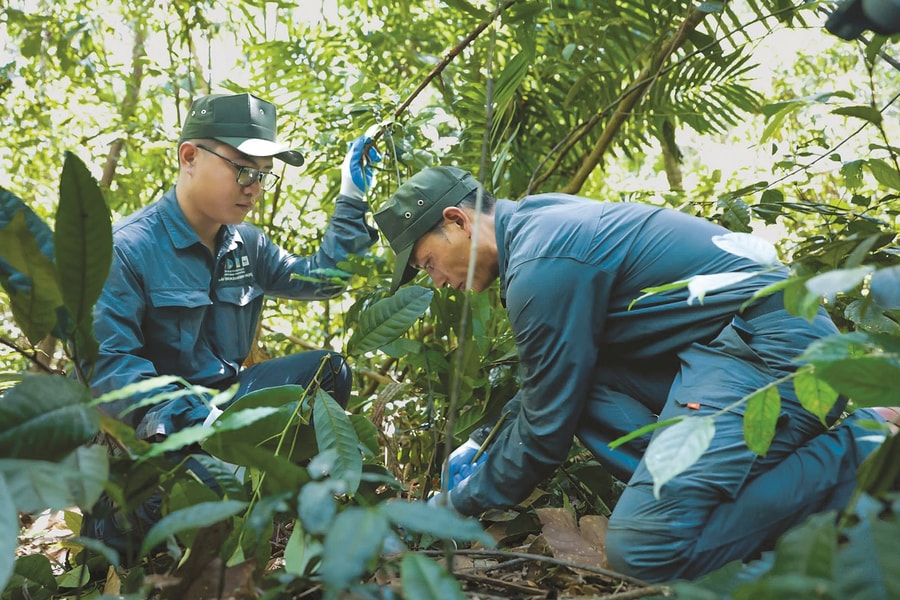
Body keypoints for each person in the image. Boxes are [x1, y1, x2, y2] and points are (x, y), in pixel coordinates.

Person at [372, 165, 895, 582]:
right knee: (588, 391)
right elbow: (554, 385)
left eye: (427, 263)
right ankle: (716, 502)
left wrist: (449, 507)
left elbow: (542, 434)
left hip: (769, 350)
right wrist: (486, 441)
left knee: (643, 548)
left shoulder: (542, 261)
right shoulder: (537, 224)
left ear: (457, 221)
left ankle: (867, 443)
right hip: (724, 352)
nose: (435, 281)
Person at [83, 92, 380, 562]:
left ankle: (261, 507)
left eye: (263, 174)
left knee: (327, 372)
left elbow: (325, 279)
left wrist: (351, 196)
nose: (254, 187)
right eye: (243, 169)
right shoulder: (126, 250)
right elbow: (111, 372)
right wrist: (199, 422)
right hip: (155, 441)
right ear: (189, 157)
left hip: (223, 416)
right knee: (129, 563)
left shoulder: (248, 246)